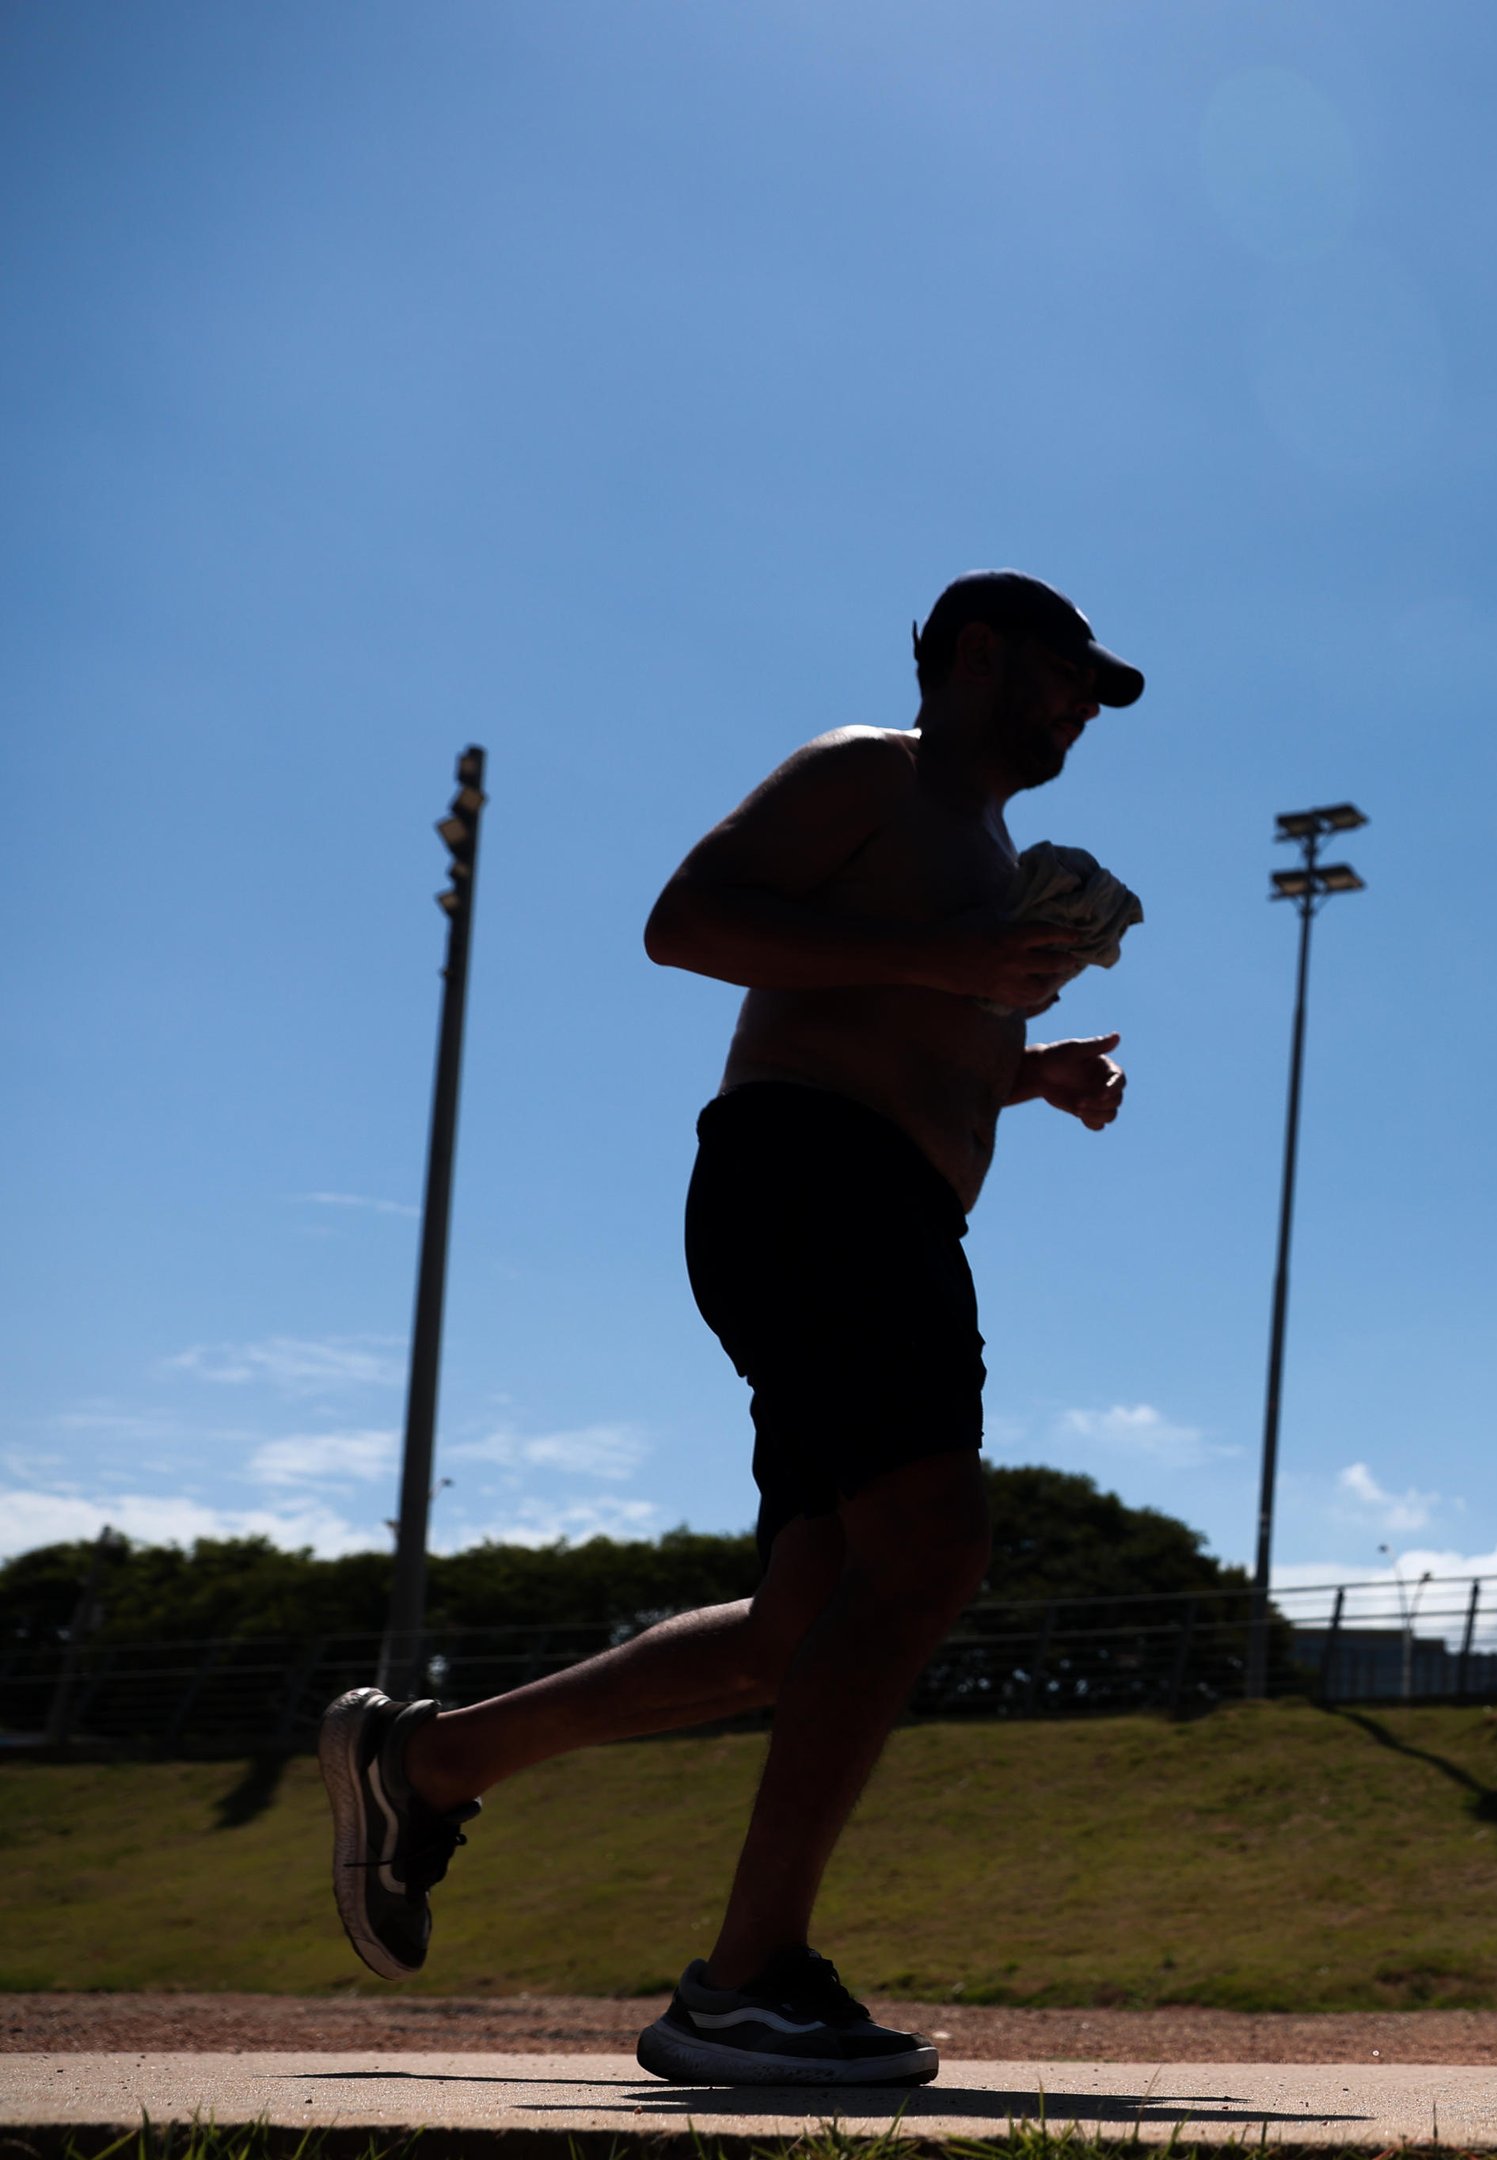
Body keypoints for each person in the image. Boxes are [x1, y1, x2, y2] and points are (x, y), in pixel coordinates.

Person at [318, 570, 1144, 2088]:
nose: (1082, 708)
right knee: (933, 1548)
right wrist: (952, 968)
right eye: (1064, 678)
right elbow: (683, 923)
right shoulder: (869, 773)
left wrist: (1031, 1074)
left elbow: (908, 1028)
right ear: (977, 654)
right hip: (815, 1181)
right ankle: (745, 1981)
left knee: (795, 1628)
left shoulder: (989, 850)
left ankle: (429, 1761)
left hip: (864, 1194)